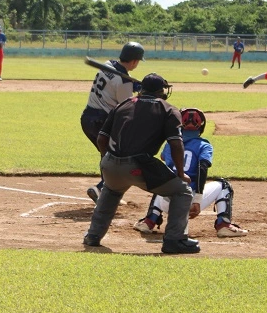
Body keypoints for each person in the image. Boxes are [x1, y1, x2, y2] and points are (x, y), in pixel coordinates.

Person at [83, 73, 200, 254]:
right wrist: (180, 172)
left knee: (111, 190)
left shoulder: (123, 104)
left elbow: (101, 138)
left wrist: (107, 158)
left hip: (110, 164)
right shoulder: (168, 109)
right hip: (139, 164)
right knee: (182, 191)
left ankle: (93, 236)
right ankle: (174, 240)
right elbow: (176, 143)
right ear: (161, 91)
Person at [134, 107, 248, 238]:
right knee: (224, 185)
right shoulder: (204, 145)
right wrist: (198, 200)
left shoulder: (171, 143)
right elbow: (202, 168)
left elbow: (163, 158)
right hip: (188, 201)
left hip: (166, 202)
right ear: (201, 126)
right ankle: (223, 225)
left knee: (164, 180)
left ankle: (149, 221)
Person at [80, 42, 145, 203]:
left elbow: (116, 83)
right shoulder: (124, 82)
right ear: (135, 61)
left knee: (107, 156)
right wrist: (141, 92)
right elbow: (126, 107)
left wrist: (134, 86)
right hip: (102, 122)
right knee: (117, 158)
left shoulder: (108, 65)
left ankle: (105, 191)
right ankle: (101, 189)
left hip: (87, 118)